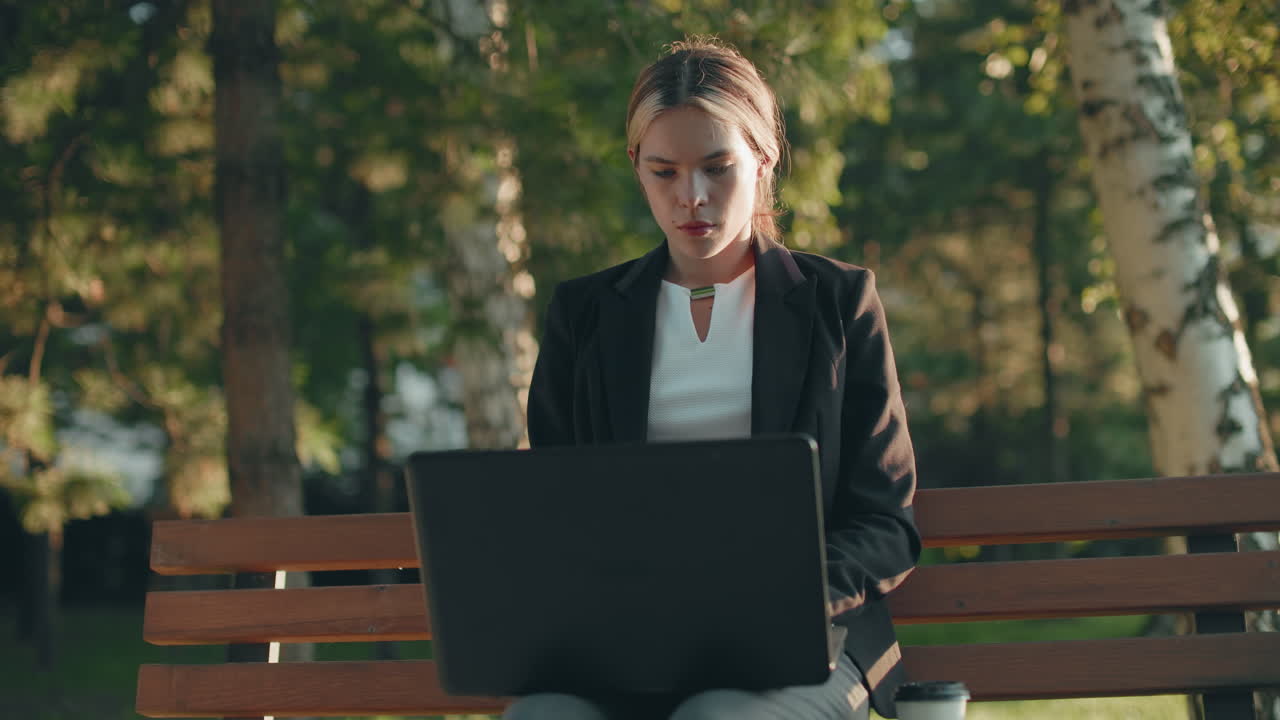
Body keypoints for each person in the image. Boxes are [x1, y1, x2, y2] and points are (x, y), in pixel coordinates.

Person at [513, 37, 921, 720]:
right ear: (635, 167)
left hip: (801, 639)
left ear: (763, 160)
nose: (690, 197)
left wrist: (785, 598)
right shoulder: (583, 316)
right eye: (663, 171)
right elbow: (559, 512)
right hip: (625, 645)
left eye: (717, 167)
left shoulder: (837, 303)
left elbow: (886, 522)